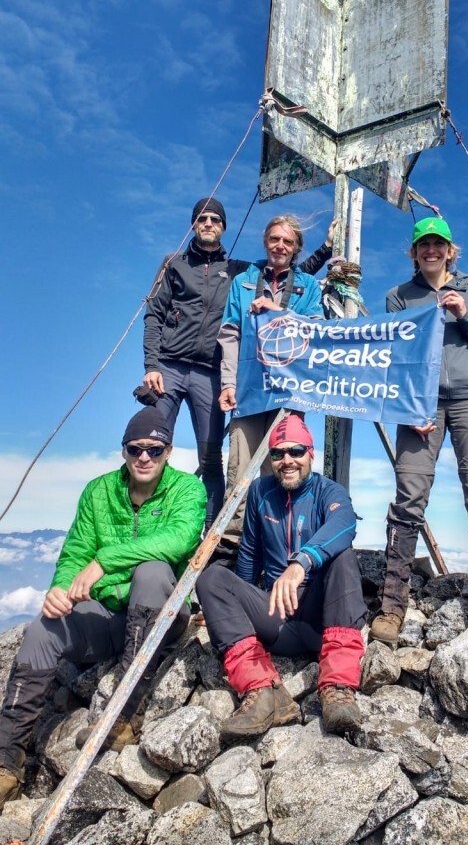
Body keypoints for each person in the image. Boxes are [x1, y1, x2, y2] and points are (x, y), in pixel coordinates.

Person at [0, 408, 206, 812]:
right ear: (124, 451)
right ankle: (6, 762)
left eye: (155, 449)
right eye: (135, 448)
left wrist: (107, 560)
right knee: (43, 630)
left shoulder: (187, 490)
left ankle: (127, 713)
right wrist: (60, 590)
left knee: (151, 571)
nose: (144, 457)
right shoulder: (98, 491)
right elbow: (75, 552)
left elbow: (181, 541)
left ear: (167, 452)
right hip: (110, 619)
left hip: (162, 617)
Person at [370, 216, 468, 646]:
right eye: (423, 245)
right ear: (413, 253)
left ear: (451, 250)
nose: (431, 250)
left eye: (439, 244)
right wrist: (405, 406)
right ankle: (392, 606)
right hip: (420, 404)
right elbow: (395, 358)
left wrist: (464, 314)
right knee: (409, 496)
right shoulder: (398, 297)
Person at [142, 198, 335, 526]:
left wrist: (328, 248)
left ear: (224, 226)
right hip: (190, 372)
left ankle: (251, 534)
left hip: (249, 382)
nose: (208, 223)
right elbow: (158, 315)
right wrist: (151, 366)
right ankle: (201, 534)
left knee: (237, 460)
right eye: (202, 218)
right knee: (152, 445)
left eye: (215, 219)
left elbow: (298, 281)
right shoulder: (198, 268)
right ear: (194, 224)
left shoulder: (239, 270)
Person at [196, 415, 366, 740]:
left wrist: (301, 563)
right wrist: (228, 610)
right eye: (278, 453)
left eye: (296, 451)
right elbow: (248, 555)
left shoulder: (329, 491)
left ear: (310, 454)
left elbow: (344, 523)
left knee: (343, 556)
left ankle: (338, 689)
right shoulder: (261, 491)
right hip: (276, 619)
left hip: (320, 619)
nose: (287, 460)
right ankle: (264, 693)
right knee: (211, 580)